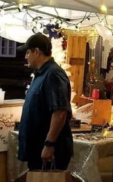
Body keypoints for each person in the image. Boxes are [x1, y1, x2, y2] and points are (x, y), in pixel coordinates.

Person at [17, 33, 73, 170]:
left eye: (27, 52)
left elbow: (60, 112)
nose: (26, 57)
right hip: (37, 149)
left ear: (37, 52)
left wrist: (49, 144)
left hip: (49, 152)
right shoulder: (41, 74)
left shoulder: (53, 74)